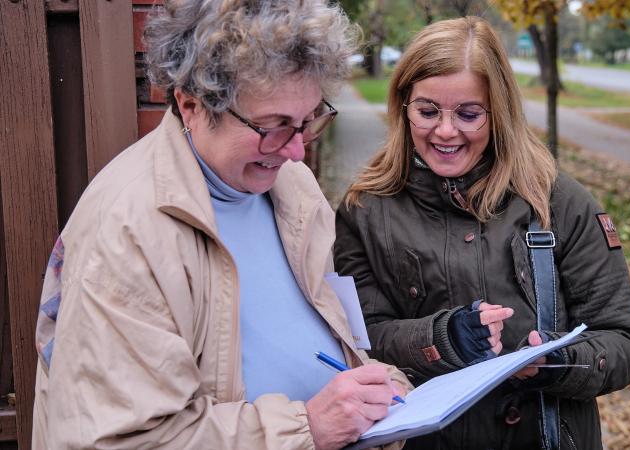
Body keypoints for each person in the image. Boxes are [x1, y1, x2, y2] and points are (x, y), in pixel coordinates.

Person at [30, 1, 410, 449]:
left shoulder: (292, 187)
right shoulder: (126, 231)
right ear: (190, 104)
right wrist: (308, 427)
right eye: (273, 126)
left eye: (308, 121)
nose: (295, 152)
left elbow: (315, 331)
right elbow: (123, 440)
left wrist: (370, 381)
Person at [334, 16, 630, 450]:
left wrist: (557, 361)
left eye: (468, 114)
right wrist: (440, 339)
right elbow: (359, 340)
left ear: (498, 112)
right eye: (428, 111)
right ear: (403, 106)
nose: (445, 131)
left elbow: (625, 341)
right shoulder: (365, 210)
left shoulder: (558, 203)